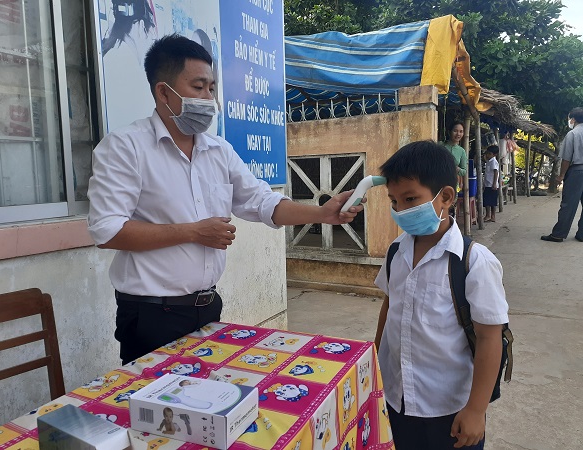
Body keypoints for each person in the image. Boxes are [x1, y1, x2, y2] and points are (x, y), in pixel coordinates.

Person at [87, 34, 363, 364]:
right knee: (159, 398)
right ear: (163, 91)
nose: (209, 98)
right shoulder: (125, 148)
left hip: (208, 308)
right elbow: (107, 231)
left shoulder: (218, 150)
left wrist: (321, 214)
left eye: (212, 88)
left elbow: (262, 201)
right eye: (198, 87)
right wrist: (192, 232)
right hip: (151, 316)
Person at [373, 141, 508, 449]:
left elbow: (490, 337)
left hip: (448, 409)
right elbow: (389, 306)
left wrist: (476, 410)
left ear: (445, 197)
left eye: (410, 199)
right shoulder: (396, 251)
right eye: (394, 201)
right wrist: (375, 363)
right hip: (396, 398)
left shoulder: (474, 262)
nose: (400, 210)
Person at [541, 107, 583, 243]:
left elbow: (566, 158)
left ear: (573, 119)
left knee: (568, 204)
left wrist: (561, 175)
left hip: (577, 171)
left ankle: (558, 234)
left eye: (569, 118)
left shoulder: (573, 134)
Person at [441, 121, 468, 188]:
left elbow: (464, 171)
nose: (458, 134)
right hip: (438, 182)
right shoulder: (440, 146)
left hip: (453, 185)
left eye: (461, 131)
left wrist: (457, 169)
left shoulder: (461, 151)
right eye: (455, 131)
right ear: (449, 132)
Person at [482, 145, 500, 222]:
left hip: (491, 185)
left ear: (494, 155)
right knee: (488, 201)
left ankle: (490, 215)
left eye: (489, 154)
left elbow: (496, 172)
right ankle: (490, 215)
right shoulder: (489, 161)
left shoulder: (493, 162)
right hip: (487, 184)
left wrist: (494, 183)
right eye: (487, 153)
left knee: (491, 202)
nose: (487, 155)